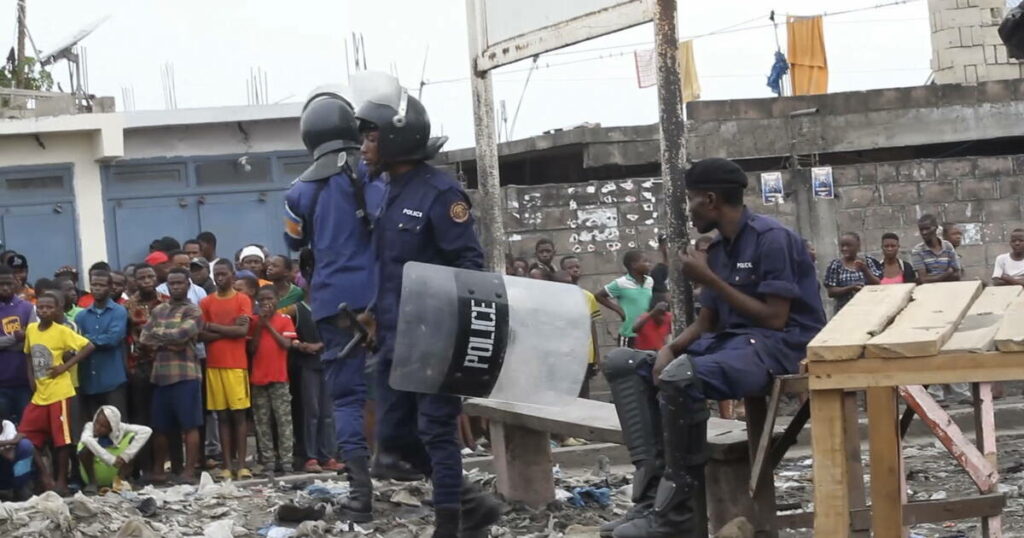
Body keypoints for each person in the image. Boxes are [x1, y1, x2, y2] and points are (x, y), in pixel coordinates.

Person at [602, 158, 825, 537]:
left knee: (680, 378)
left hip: (781, 345)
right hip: (733, 343)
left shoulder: (772, 239)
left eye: (689, 200)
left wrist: (707, 278)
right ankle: (651, 501)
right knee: (624, 363)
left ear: (709, 199)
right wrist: (670, 348)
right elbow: (708, 321)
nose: (687, 211)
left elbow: (774, 317)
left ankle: (677, 519)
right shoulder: (718, 249)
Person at [357, 83, 500, 535]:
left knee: (437, 429)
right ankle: (471, 502)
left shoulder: (441, 194)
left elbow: (469, 263)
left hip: (434, 335)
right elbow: (390, 266)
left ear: (397, 139)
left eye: (371, 137)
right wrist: (372, 313)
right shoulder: (389, 192)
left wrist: (450, 332)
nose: (364, 147)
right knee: (394, 440)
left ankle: (450, 523)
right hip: (395, 336)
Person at [283, 88, 384, 519]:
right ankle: (439, 484)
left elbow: (292, 241)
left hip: (330, 305)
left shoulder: (297, 191)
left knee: (345, 399)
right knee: (406, 389)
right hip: (382, 299)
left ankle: (360, 496)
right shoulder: (372, 174)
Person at [21, 291, 97, 494]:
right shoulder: (31, 329)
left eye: (49, 307)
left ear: (57, 310)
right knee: (27, 436)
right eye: (41, 307)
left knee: (62, 440)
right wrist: (31, 379)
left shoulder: (62, 331)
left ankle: (61, 481)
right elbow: (28, 355)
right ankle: (44, 478)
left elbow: (88, 346)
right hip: (40, 393)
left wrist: (64, 367)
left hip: (60, 392)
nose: (44, 310)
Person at [141, 268, 204, 484]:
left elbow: (182, 335)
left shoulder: (193, 311)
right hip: (160, 376)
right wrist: (172, 341)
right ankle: (159, 470)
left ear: (188, 284)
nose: (175, 287)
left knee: (190, 425)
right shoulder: (159, 310)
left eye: (180, 283)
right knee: (160, 426)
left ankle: (188, 471)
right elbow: (144, 337)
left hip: (185, 375)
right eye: (171, 283)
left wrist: (163, 338)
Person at [199, 260, 252, 480]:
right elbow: (201, 334)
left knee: (239, 416)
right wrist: (230, 329)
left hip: (236, 365)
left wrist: (215, 327)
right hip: (214, 366)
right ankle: (227, 466)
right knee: (221, 416)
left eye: (224, 274)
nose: (220, 278)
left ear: (232, 274)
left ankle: (242, 465)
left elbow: (243, 331)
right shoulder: (206, 302)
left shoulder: (242, 299)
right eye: (216, 275)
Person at [123, 264, 166, 479]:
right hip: (139, 367)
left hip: (164, 366)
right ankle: (143, 468)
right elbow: (124, 338)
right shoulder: (127, 305)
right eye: (142, 277)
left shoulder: (166, 302)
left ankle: (163, 467)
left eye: (150, 276)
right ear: (135, 280)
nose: (147, 280)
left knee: (162, 418)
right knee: (140, 419)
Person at [291, 292, 342, 473]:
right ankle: (310, 456)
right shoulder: (297, 310)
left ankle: (327, 456)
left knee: (327, 414)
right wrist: (301, 345)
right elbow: (288, 335)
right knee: (311, 412)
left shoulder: (331, 308)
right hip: (307, 365)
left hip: (328, 363)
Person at [247, 286, 296, 474]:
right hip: (259, 378)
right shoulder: (254, 322)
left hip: (279, 378)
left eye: (270, 299)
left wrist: (268, 325)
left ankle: (286, 461)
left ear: (277, 299)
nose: (266, 303)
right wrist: (260, 325)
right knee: (262, 422)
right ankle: (268, 461)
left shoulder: (284, 320)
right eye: (262, 300)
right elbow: (251, 349)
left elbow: (286, 345)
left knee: (284, 421)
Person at [75, 271, 129, 420]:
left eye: (101, 285)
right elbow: (75, 342)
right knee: (92, 427)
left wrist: (86, 340)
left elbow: (112, 339)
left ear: (110, 287)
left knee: (118, 425)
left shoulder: (119, 311)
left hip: (112, 379)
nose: (96, 288)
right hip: (88, 381)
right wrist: (90, 341)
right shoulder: (81, 316)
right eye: (94, 285)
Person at [77, 405, 152, 493]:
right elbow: (86, 439)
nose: (97, 428)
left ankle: (121, 480)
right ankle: (92, 483)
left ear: (112, 428)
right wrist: (111, 459)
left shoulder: (120, 428)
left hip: (117, 467)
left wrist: (125, 456)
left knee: (132, 438)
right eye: (97, 423)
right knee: (86, 449)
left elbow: (146, 431)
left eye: (103, 427)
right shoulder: (89, 426)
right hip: (96, 470)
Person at [596, 251, 653, 348]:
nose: (649, 265)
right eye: (645, 262)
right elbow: (599, 296)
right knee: (627, 361)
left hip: (647, 333)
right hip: (629, 334)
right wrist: (618, 310)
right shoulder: (621, 283)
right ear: (634, 265)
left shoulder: (650, 281)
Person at [0, 266, 35, 425]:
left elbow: (32, 339)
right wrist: (15, 338)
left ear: (15, 283)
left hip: (23, 381)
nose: (5, 287)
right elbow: (21, 338)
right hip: (1, 383)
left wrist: (5, 343)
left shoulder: (27, 308)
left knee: (26, 429)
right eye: (1, 284)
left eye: (8, 283)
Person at [823, 232, 881, 312]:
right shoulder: (835, 265)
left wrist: (865, 270)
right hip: (844, 311)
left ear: (858, 246)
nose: (845, 248)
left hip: (868, 309)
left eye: (848, 245)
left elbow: (878, 284)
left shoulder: (868, 261)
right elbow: (831, 292)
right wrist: (851, 288)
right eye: (842, 246)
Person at [912, 214, 962, 284]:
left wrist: (932, 278)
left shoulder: (948, 246)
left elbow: (957, 275)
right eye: (921, 230)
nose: (924, 232)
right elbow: (923, 279)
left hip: (949, 290)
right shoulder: (918, 251)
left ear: (936, 228)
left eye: (927, 228)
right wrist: (947, 273)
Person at [0, 419, 34, 501]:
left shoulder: (7, 425)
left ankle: (20, 487)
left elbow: (10, 455)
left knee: (25, 445)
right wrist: (12, 441)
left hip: (8, 471)